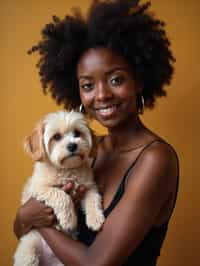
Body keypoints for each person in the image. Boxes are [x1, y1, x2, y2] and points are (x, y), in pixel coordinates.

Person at [14, 0, 179, 265]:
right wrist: (24, 217)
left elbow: (97, 263)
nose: (101, 95)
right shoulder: (88, 148)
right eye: (88, 85)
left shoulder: (155, 159)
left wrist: (39, 222)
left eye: (116, 79)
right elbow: (21, 229)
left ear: (138, 81)